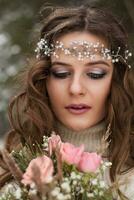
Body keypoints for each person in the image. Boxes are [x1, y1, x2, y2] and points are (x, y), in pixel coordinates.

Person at [0, 3, 134, 200]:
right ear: (44, 78)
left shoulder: (129, 179)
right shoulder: (13, 172)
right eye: (61, 73)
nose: (76, 88)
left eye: (95, 74)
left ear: (116, 79)